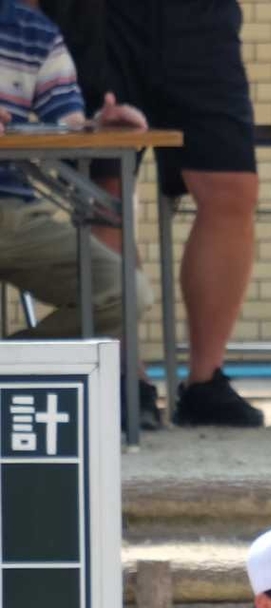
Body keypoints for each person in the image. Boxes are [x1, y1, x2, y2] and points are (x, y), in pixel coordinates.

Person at [43, 0, 264, 424]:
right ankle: (123, 376)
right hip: (96, 15)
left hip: (198, 17)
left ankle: (206, 381)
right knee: (104, 184)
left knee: (232, 187)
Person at [0, 1, 148, 359]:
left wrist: (101, 128)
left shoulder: (35, 31)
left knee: (124, 292)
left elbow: (66, 125)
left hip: (15, 214)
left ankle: (14, 371)